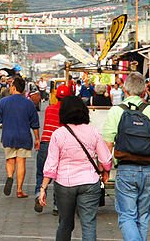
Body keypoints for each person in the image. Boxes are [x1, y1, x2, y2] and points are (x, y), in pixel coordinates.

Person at [102, 72, 150, 241]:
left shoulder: (116, 111)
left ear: (125, 89)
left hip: (125, 170)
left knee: (127, 216)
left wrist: (103, 170)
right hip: (149, 170)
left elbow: (107, 144)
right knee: (143, 216)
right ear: (144, 90)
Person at [38, 96, 112, 241]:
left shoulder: (58, 134)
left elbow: (51, 165)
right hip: (89, 182)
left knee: (65, 223)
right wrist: (105, 171)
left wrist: (43, 188)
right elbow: (106, 159)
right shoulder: (93, 131)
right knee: (88, 224)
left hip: (65, 183)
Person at [0, 76, 40, 198]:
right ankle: (19, 190)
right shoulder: (29, 103)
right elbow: (35, 124)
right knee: (21, 162)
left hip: (8, 136)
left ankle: (9, 177)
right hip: (24, 137)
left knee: (10, 160)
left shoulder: (3, 102)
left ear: (13, 87)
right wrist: (37, 139)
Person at [34, 83, 72, 214]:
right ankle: (57, 205)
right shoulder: (68, 112)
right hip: (59, 145)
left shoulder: (49, 109)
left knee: (41, 172)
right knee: (58, 175)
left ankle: (38, 194)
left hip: (45, 142)